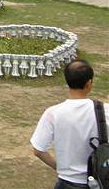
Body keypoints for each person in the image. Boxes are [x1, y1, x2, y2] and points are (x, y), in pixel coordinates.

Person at [31, 60, 109, 189]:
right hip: (100, 180)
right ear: (89, 83)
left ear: (67, 81)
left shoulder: (53, 113)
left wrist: (59, 168)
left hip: (66, 182)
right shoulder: (104, 110)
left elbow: (38, 150)